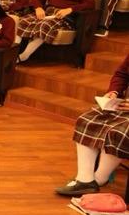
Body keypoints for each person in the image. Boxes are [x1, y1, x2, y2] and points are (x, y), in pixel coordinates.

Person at [54, 54, 129, 196]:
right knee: (87, 120)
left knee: (119, 132)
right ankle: (85, 179)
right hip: (125, 106)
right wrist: (113, 92)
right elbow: (122, 74)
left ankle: (99, 179)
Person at [16, 0, 94, 63]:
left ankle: (23, 56)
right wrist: (38, 8)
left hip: (65, 17)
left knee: (44, 25)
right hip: (48, 12)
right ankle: (12, 54)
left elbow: (89, 3)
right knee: (20, 22)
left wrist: (70, 9)